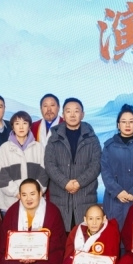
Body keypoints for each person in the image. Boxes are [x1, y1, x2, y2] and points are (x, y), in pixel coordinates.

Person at [1, 179, 66, 264]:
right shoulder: (12, 211)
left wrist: (36, 254)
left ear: (40, 194)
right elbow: (5, 239)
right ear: (19, 196)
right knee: (11, 263)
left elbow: (58, 241)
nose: (28, 199)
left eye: (32, 194)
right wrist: (20, 254)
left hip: (45, 256)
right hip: (19, 257)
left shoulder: (52, 211)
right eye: (24, 195)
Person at [44, 98, 102, 232]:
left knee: (85, 237)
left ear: (83, 114)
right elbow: (49, 164)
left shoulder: (92, 138)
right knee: (61, 237)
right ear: (63, 115)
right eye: (68, 111)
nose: (72, 115)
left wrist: (79, 182)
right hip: (60, 197)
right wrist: (65, 183)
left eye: (76, 111)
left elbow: (96, 164)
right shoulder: (54, 138)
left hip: (85, 196)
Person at [101, 105, 133, 231]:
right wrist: (117, 191)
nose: (127, 125)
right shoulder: (109, 146)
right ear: (118, 125)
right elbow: (105, 171)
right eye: (124, 122)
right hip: (114, 198)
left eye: (131, 122)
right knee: (114, 232)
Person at [0, 111, 47, 214]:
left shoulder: (39, 148)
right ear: (13, 127)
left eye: (25, 123)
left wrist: (32, 193)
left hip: (35, 203)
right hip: (10, 203)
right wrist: (18, 193)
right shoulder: (4, 149)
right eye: (17, 123)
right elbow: (1, 176)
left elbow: (44, 173)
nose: (21, 127)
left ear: (30, 126)